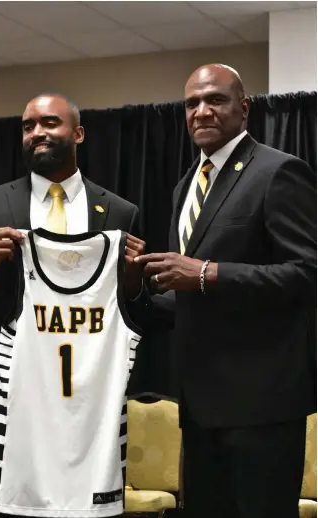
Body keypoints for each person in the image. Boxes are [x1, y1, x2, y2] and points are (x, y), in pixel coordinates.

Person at [136, 64, 316, 518]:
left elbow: (307, 273)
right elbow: (189, 298)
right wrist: (131, 284)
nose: (201, 111)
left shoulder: (278, 172)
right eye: (192, 103)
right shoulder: (185, 187)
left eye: (215, 100)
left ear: (244, 107)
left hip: (263, 408)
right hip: (199, 408)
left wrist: (206, 272)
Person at [0, 93, 145, 518]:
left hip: (89, 411)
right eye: (28, 126)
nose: (37, 132)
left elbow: (137, 309)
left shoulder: (117, 212)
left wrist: (133, 283)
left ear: (77, 133)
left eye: (50, 123)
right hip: (11, 403)